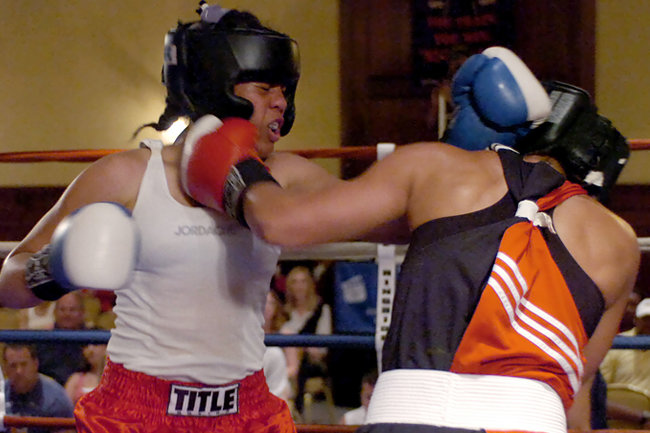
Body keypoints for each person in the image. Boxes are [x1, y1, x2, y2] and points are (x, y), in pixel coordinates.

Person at [181, 46, 639, 433]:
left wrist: (228, 158)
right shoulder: (619, 243)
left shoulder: (439, 169)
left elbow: (282, 223)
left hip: (416, 414)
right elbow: (576, 396)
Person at [0, 3, 343, 432]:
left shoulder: (283, 177)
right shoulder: (128, 175)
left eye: (285, 91)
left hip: (247, 411)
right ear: (218, 85)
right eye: (264, 88)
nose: (281, 103)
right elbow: (7, 279)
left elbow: (375, 211)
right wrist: (54, 267)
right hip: (137, 413)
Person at [280, 265, 333, 414]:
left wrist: (299, 345)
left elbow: (322, 349)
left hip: (312, 362)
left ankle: (295, 409)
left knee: (300, 362)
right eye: (295, 282)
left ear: (310, 284)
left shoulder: (321, 310)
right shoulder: (284, 311)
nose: (299, 286)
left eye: (303, 281)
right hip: (284, 359)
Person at [599, 297, 650, 427]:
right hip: (616, 418)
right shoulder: (614, 343)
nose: (649, 324)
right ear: (636, 320)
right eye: (645, 319)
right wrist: (642, 417)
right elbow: (597, 397)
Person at [3, 343, 75, 433]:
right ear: (5, 369)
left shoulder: (56, 400)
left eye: (24, 364)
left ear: (35, 364)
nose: (19, 371)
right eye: (13, 366)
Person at [35, 291, 88, 386]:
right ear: (54, 312)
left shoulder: (94, 341)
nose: (67, 314)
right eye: (62, 310)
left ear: (82, 312)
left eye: (72, 310)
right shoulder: (42, 339)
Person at [262, 289, 293, 404]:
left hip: (279, 380)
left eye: (271, 303)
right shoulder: (248, 333)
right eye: (263, 302)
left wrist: (275, 373)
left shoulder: (286, 334)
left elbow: (293, 367)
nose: (267, 307)